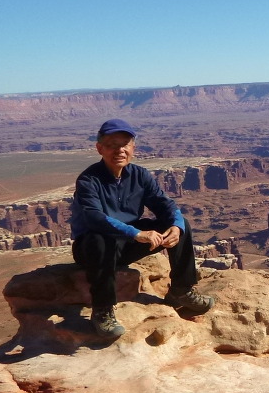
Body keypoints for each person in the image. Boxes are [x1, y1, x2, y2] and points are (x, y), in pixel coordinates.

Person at [70, 118, 214, 339]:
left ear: (133, 148)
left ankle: (181, 290)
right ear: (99, 148)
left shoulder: (140, 176)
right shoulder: (89, 180)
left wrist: (176, 227)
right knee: (100, 238)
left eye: (124, 144)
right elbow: (95, 218)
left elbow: (166, 205)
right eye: (111, 145)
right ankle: (102, 311)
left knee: (181, 223)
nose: (119, 150)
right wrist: (136, 233)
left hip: (126, 243)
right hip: (92, 248)